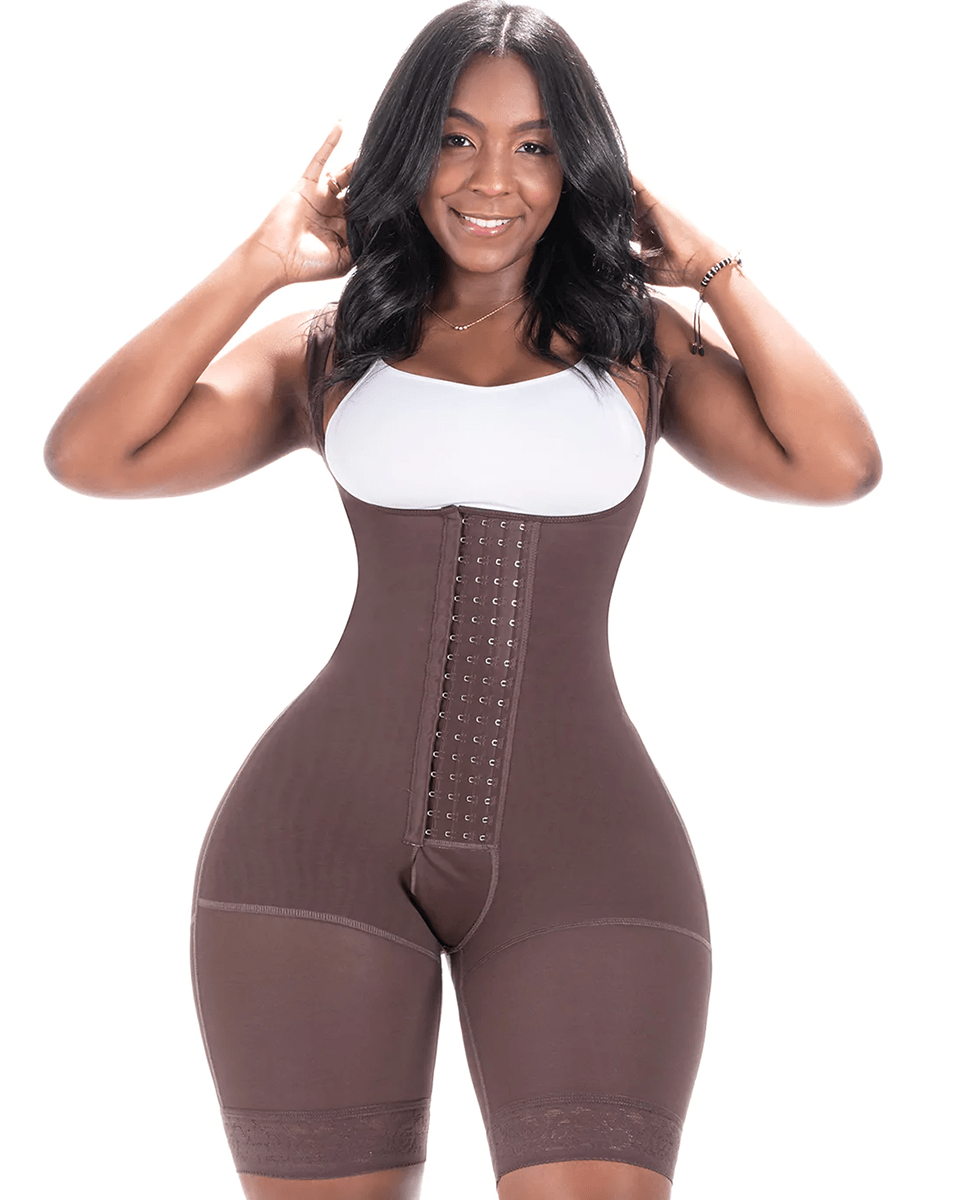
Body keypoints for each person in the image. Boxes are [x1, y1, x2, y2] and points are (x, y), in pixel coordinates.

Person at [43, 2, 882, 1197]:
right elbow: (92, 455)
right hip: (310, 846)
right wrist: (259, 263)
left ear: (576, 165)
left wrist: (711, 271)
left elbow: (836, 466)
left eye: (534, 145)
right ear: (406, 152)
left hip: (587, 853)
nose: (494, 179)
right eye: (455, 138)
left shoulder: (638, 345)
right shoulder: (328, 346)